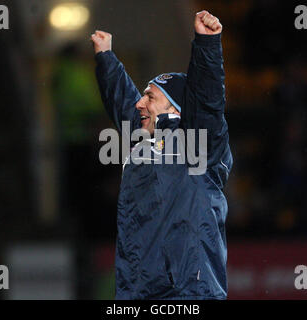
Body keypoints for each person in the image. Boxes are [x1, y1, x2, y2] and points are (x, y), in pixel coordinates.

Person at [91, 10, 233, 300]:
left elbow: (206, 99)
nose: (140, 103)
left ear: (175, 109)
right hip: (137, 290)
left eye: (150, 97)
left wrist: (207, 45)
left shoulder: (198, 143)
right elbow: (121, 99)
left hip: (188, 292)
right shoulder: (142, 139)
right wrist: (106, 57)